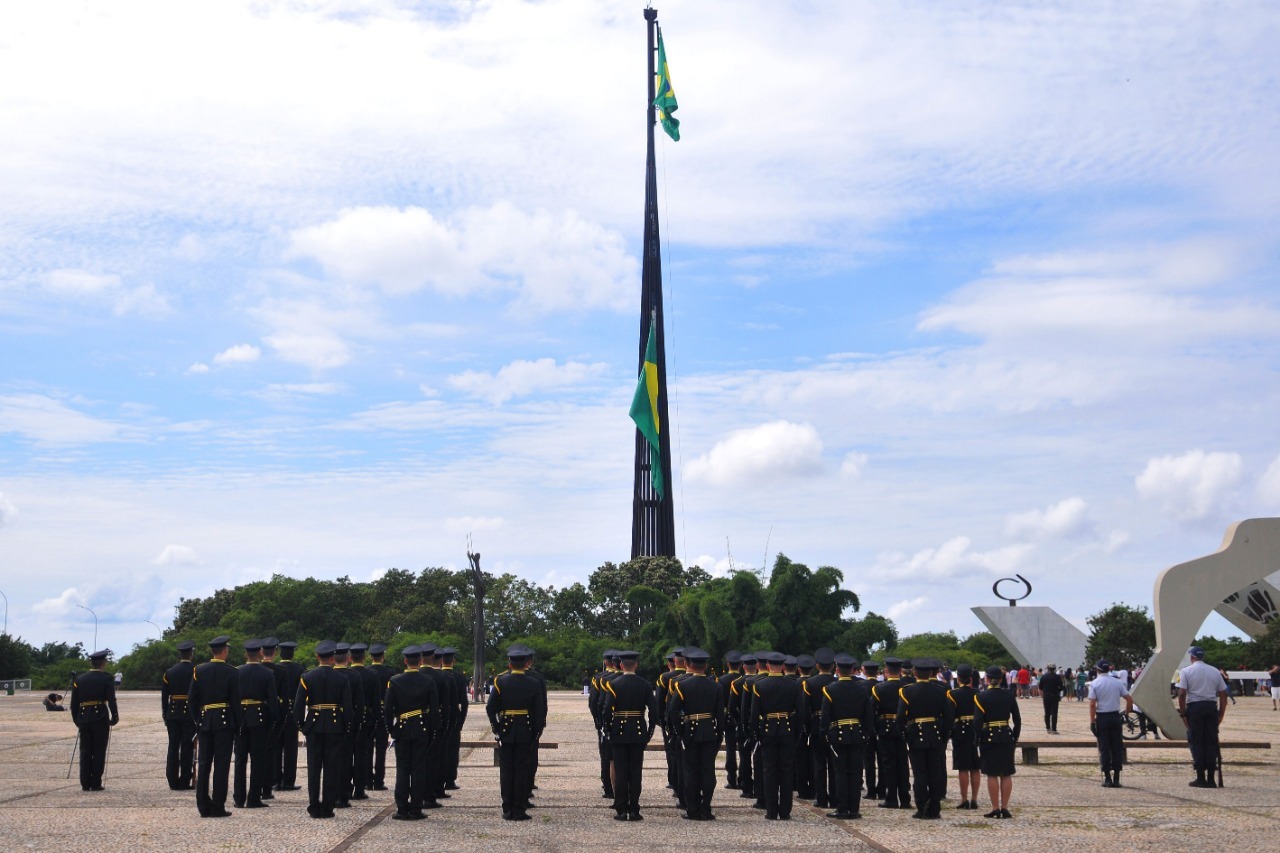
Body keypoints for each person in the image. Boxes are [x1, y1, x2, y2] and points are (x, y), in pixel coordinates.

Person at [486, 644, 546, 821]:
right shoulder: (534, 683)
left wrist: (497, 727)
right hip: (525, 730)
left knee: (506, 771)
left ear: (510, 664)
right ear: (526, 663)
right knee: (521, 770)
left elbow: (490, 708)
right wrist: (536, 732)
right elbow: (539, 711)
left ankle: (507, 808)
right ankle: (519, 809)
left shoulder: (500, 681)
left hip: (506, 729)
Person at [294, 639, 353, 818]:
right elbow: (347, 706)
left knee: (314, 767)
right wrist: (346, 725)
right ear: (333, 658)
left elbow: (298, 706)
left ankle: (314, 805)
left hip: (314, 725)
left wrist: (302, 725)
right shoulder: (342, 678)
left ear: (317, 656)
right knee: (331, 768)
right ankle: (328, 807)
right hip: (334, 726)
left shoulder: (307, 677)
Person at [666, 647, 725, 820]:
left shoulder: (682, 685)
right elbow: (720, 714)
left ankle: (692, 809)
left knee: (690, 772)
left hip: (690, 733)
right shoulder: (716, 686)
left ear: (687, 664)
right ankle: (706, 808)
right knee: (708, 771)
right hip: (709, 732)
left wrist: (680, 731)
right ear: (705, 666)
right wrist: (719, 734)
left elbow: (673, 711)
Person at [601, 649, 658, 821]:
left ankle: (621, 809)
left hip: (619, 731)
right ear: (636, 665)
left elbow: (606, 710)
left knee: (620, 771)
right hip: (638, 730)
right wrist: (650, 730)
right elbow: (653, 710)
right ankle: (634, 809)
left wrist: (608, 729)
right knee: (635, 772)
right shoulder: (645, 684)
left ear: (620, 665)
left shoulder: (614, 684)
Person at [384, 644, 440, 820]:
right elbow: (434, 710)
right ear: (421, 661)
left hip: (402, 728)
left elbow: (387, 710)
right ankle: (416, 808)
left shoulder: (394, 681)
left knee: (402, 769)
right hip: (421, 728)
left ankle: (402, 808)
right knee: (418, 769)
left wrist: (391, 730)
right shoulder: (428, 681)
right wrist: (432, 731)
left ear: (405, 661)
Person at [189, 636, 241, 817]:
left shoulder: (199, 670)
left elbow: (192, 700)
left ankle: (203, 805)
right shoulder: (232, 672)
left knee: (204, 764)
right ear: (225, 651)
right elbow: (236, 702)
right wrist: (237, 725)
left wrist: (198, 720)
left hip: (205, 721)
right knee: (221, 765)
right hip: (224, 722)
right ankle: (218, 805)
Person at [819, 653, 874, 819]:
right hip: (857, 733)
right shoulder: (862, 689)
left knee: (841, 773)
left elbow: (826, 715)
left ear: (837, 670)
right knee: (855, 773)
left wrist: (824, 734)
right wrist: (866, 733)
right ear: (852, 670)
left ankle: (842, 808)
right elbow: (868, 715)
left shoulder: (830, 689)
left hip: (838, 734)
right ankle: (854, 809)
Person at [896, 658, 953, 820]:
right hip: (935, 735)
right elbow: (948, 717)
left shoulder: (907, 691)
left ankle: (921, 808)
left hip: (916, 735)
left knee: (920, 773)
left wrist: (905, 734)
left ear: (915, 672)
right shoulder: (941, 691)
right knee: (935, 773)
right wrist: (944, 736)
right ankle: (934, 808)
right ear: (930, 673)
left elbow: (900, 717)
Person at [751, 651, 806, 820]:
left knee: (769, 771)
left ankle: (771, 810)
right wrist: (797, 733)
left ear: (768, 666)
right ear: (782, 666)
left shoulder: (759, 685)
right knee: (787, 771)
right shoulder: (793, 685)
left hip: (768, 731)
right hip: (787, 731)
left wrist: (757, 733)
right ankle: (785, 811)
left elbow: (754, 714)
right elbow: (801, 712)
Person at [233, 638, 278, 809]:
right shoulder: (267, 673)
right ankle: (253, 798)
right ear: (260, 653)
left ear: (245, 654)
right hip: (259, 718)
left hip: (241, 718)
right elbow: (272, 701)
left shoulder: (236, 672)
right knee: (258, 759)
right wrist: (273, 721)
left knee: (240, 760)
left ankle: (239, 798)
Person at [1178, 645, 1229, 788]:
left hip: (1195, 708)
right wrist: (1221, 713)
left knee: (1197, 741)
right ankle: (1211, 778)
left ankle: (1200, 777)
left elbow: (1181, 694)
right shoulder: (1214, 671)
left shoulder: (1186, 671)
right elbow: (1223, 694)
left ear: (1191, 657)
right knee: (1211, 742)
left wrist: (1183, 713)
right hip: (1211, 707)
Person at [974, 665, 1020, 818]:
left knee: (992, 773)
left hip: (989, 735)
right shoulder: (1009, 695)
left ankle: (995, 807)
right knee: (1006, 773)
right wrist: (1015, 736)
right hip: (1006, 735)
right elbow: (1017, 719)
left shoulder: (981, 696)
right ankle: (1005, 807)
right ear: (1001, 679)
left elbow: (978, 721)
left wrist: (977, 737)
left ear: (987, 679)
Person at [70, 649, 119, 792]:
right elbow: (111, 699)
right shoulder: (107, 678)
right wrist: (114, 716)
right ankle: (96, 782)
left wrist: (77, 720)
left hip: (84, 717)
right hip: (100, 717)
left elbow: (74, 703)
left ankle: (85, 782)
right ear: (103, 663)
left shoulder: (80, 679)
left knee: (85, 750)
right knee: (99, 750)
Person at [872, 657, 911, 810]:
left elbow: (871, 710)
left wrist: (877, 726)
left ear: (886, 671)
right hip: (903, 729)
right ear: (900, 671)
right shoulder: (907, 687)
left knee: (888, 764)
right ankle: (905, 798)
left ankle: (891, 798)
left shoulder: (879, 688)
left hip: (885, 728)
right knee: (903, 763)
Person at [1088, 659, 1132, 788]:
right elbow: (1129, 699)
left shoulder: (1095, 683)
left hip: (1102, 717)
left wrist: (1092, 721)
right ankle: (1117, 777)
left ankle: (1107, 778)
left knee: (1104, 747)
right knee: (1116, 747)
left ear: (1098, 670)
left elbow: (1092, 704)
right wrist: (1126, 715)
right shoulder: (1117, 682)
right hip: (1115, 716)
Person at [802, 647, 837, 809]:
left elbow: (805, 709)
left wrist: (808, 728)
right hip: (835, 725)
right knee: (834, 764)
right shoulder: (837, 683)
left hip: (816, 724)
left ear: (817, 665)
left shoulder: (809, 683)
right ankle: (835, 797)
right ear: (833, 666)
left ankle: (821, 797)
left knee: (819, 764)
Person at [161, 640, 197, 789]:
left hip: (173, 712)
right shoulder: (196, 670)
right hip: (189, 713)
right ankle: (184, 780)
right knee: (187, 746)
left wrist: (165, 713)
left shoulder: (170, 672)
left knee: (173, 747)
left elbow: (164, 696)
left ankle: (172, 780)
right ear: (191, 654)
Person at [946, 663, 982, 810]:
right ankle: (974, 799)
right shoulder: (977, 693)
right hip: (975, 730)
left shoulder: (953, 694)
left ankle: (964, 799)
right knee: (975, 766)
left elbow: (950, 716)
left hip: (960, 730)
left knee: (963, 767)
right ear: (971, 678)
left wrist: (948, 732)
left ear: (958, 678)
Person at [438, 647, 469, 792]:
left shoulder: (436, 675)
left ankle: (438, 779)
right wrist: (461, 719)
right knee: (452, 750)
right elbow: (464, 702)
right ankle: (450, 779)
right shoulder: (459, 677)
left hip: (438, 716)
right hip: (454, 716)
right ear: (453, 661)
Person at [275, 641, 304, 791]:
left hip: (277, 710)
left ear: (280, 654)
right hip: (291, 711)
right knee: (290, 749)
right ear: (292, 654)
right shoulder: (298, 669)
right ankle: (288, 780)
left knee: (276, 747)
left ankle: (276, 779)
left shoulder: (275, 669)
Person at [368, 643, 394, 791]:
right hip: (383, 711)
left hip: (369, 712)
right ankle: (378, 780)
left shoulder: (366, 671)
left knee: (366, 748)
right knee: (381, 749)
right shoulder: (389, 673)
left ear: (370, 657)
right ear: (383, 657)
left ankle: (367, 779)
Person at [717, 650, 742, 791]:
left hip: (728, 717)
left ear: (728, 664)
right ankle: (744, 778)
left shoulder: (722, 680)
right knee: (744, 751)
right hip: (742, 718)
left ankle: (732, 778)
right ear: (740, 665)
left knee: (731, 749)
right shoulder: (744, 680)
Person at [1039, 663, 1065, 734]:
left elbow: (1040, 687)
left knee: (1047, 713)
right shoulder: (1057, 677)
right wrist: (1057, 690)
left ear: (1047, 668)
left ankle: (1048, 728)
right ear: (1054, 669)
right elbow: (1061, 687)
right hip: (1055, 696)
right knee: (1054, 713)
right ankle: (1054, 729)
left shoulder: (1044, 676)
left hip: (1046, 697)